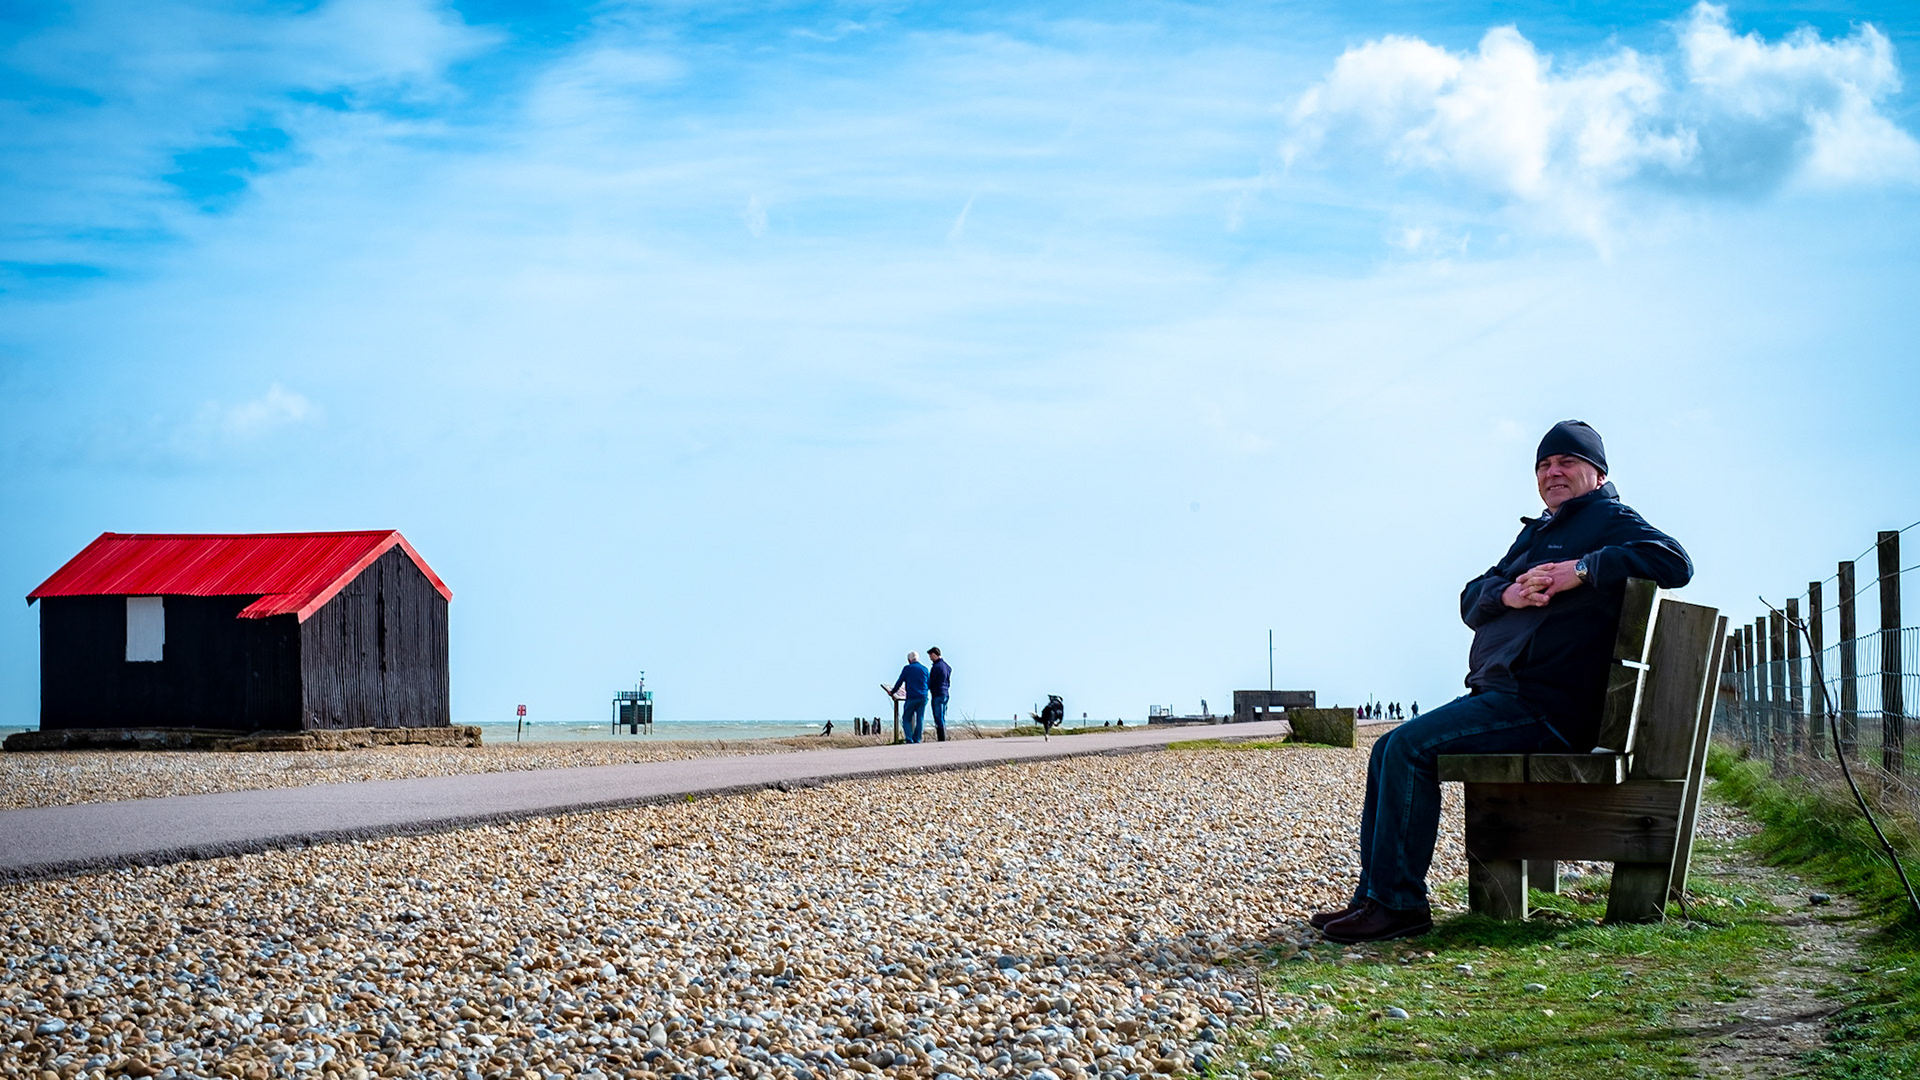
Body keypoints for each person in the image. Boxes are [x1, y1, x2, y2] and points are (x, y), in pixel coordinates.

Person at [1315, 420, 1692, 944]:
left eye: (1566, 462)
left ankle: (1399, 906)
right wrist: (1507, 594)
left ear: (1599, 474)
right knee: (1388, 750)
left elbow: (1675, 560)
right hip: (1506, 696)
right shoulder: (1538, 530)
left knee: (1405, 749)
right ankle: (1375, 898)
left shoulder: (1610, 518)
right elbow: (1471, 598)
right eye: (1543, 465)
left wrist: (1580, 570)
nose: (1552, 472)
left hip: (1546, 708)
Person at [889, 651, 931, 744]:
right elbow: (929, 683)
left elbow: (899, 681)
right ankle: (917, 738)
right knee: (920, 718)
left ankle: (909, 738)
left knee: (906, 718)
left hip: (912, 697)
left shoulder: (907, 669)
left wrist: (892, 692)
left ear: (909, 660)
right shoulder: (925, 669)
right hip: (923, 696)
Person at [927, 647, 953, 742]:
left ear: (934, 654)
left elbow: (932, 681)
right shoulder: (947, 666)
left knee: (938, 717)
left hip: (938, 693)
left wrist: (929, 687)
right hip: (945, 692)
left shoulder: (936, 667)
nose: (930, 658)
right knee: (942, 715)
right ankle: (943, 736)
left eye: (930, 656)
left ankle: (941, 738)